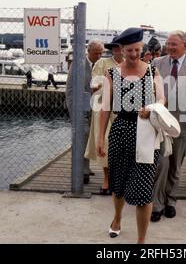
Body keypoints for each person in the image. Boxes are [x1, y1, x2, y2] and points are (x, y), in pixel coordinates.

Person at [97, 27, 165, 244]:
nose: (133, 54)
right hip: (120, 130)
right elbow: (105, 107)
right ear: (121, 50)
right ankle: (117, 218)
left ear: (142, 48)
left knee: (144, 189)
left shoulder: (153, 72)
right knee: (118, 182)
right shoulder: (112, 73)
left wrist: (152, 107)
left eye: (137, 49)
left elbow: (163, 99)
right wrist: (100, 138)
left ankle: (141, 240)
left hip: (146, 132)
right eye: (129, 50)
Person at [151, 30, 186, 222]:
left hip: (182, 124)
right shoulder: (157, 63)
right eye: (168, 44)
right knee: (160, 164)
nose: (170, 47)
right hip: (159, 123)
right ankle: (156, 204)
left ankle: (170, 201)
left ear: (185, 46)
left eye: (174, 44)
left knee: (175, 165)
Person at [84, 36, 123, 195]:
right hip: (104, 109)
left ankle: (119, 178)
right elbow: (95, 86)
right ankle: (107, 179)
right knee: (105, 143)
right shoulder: (102, 63)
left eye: (120, 47)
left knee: (123, 145)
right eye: (114, 47)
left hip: (124, 112)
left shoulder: (133, 65)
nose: (117, 50)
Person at [66, 39, 103, 184]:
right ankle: (81, 171)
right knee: (82, 137)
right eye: (96, 53)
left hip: (95, 109)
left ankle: (85, 167)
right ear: (89, 52)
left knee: (89, 139)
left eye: (101, 53)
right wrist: (73, 111)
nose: (99, 56)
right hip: (80, 108)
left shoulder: (101, 65)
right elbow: (70, 90)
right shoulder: (78, 64)